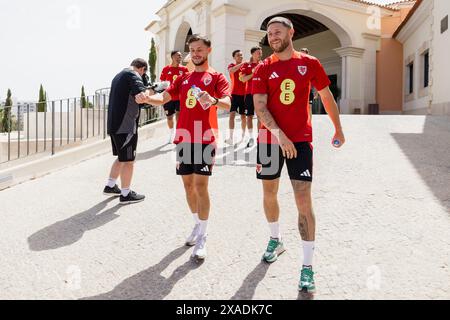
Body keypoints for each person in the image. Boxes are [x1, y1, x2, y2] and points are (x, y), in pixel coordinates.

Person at [252, 17, 345, 293]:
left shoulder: (311, 64)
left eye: (278, 32)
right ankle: (275, 239)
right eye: (269, 33)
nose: (273, 37)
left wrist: (338, 128)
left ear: (291, 33)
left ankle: (307, 267)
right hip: (270, 140)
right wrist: (279, 135)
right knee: (269, 192)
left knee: (303, 199)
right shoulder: (261, 68)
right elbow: (259, 106)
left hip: (300, 141)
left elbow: (326, 97)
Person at [136, 35, 231, 261]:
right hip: (184, 138)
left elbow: (228, 102)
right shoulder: (184, 78)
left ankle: (203, 236)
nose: (195, 53)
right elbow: (164, 97)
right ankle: (198, 226)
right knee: (188, 186)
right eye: (192, 50)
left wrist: (215, 100)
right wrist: (147, 98)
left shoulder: (216, 77)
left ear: (208, 50)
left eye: (199, 49)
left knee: (200, 185)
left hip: (205, 138)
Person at [103, 58, 151, 204]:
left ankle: (110, 185)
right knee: (129, 160)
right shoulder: (133, 75)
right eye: (144, 74)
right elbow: (142, 96)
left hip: (114, 125)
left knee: (122, 157)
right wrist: (155, 90)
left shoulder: (118, 75)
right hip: (126, 126)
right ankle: (126, 194)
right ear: (142, 69)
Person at [160, 51, 189, 144]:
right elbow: (162, 83)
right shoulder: (166, 69)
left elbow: (188, 81)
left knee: (179, 115)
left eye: (180, 56)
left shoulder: (184, 69)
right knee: (169, 117)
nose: (180, 57)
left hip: (180, 97)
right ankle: (171, 133)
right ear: (172, 57)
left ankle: (178, 134)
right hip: (168, 98)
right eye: (178, 56)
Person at [239, 46, 263, 148]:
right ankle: (251, 138)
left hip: (261, 94)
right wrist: (253, 73)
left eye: (260, 53)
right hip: (249, 94)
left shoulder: (263, 64)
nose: (260, 54)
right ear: (252, 54)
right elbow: (243, 79)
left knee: (260, 116)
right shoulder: (246, 65)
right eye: (258, 53)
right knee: (249, 116)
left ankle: (259, 137)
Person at [224, 50, 246, 146]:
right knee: (232, 115)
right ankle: (231, 137)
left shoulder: (245, 66)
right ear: (234, 57)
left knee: (243, 116)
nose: (240, 57)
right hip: (234, 94)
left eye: (241, 55)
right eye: (238, 55)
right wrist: (242, 64)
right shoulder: (231, 66)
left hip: (244, 94)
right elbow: (231, 71)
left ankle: (244, 136)